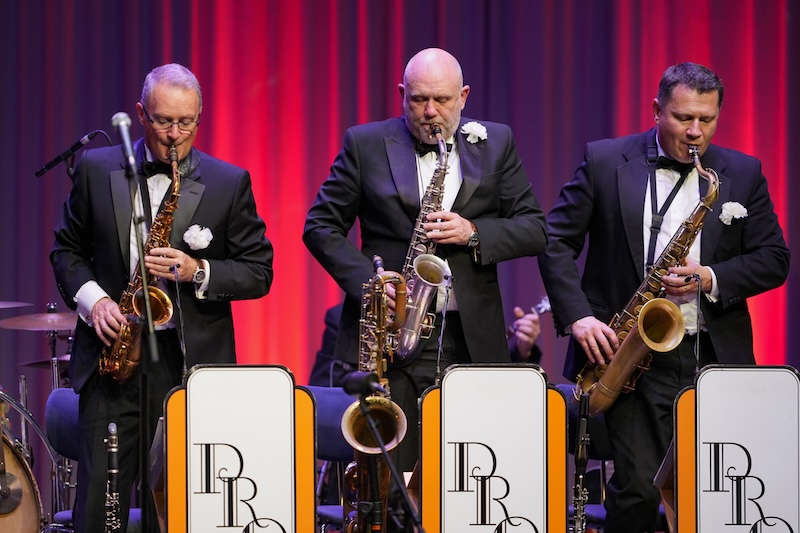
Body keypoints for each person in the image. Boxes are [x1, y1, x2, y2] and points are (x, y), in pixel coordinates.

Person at [538, 62, 789, 532]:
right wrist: (579, 318)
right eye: (682, 118)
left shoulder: (741, 171)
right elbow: (555, 242)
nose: (695, 132)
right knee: (635, 491)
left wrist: (710, 277)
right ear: (656, 111)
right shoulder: (605, 161)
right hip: (630, 355)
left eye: (707, 120)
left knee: (718, 487)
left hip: (711, 355)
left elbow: (775, 259)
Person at [50, 63, 274, 532]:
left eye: (186, 122)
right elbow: (66, 251)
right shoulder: (94, 169)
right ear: (140, 114)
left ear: (200, 116)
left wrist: (199, 271)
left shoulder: (229, 182)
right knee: (98, 506)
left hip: (185, 367)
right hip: (112, 360)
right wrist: (96, 303)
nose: (175, 135)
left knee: (174, 509)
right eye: (163, 121)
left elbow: (259, 272)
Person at [303, 48, 546, 472]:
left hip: (468, 339)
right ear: (401, 94)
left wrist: (474, 232)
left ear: (464, 96)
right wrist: (373, 285)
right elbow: (320, 226)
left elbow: (535, 228)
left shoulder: (496, 142)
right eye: (418, 100)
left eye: (442, 100)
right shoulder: (366, 144)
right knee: (391, 474)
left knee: (467, 472)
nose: (430, 111)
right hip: (390, 334)